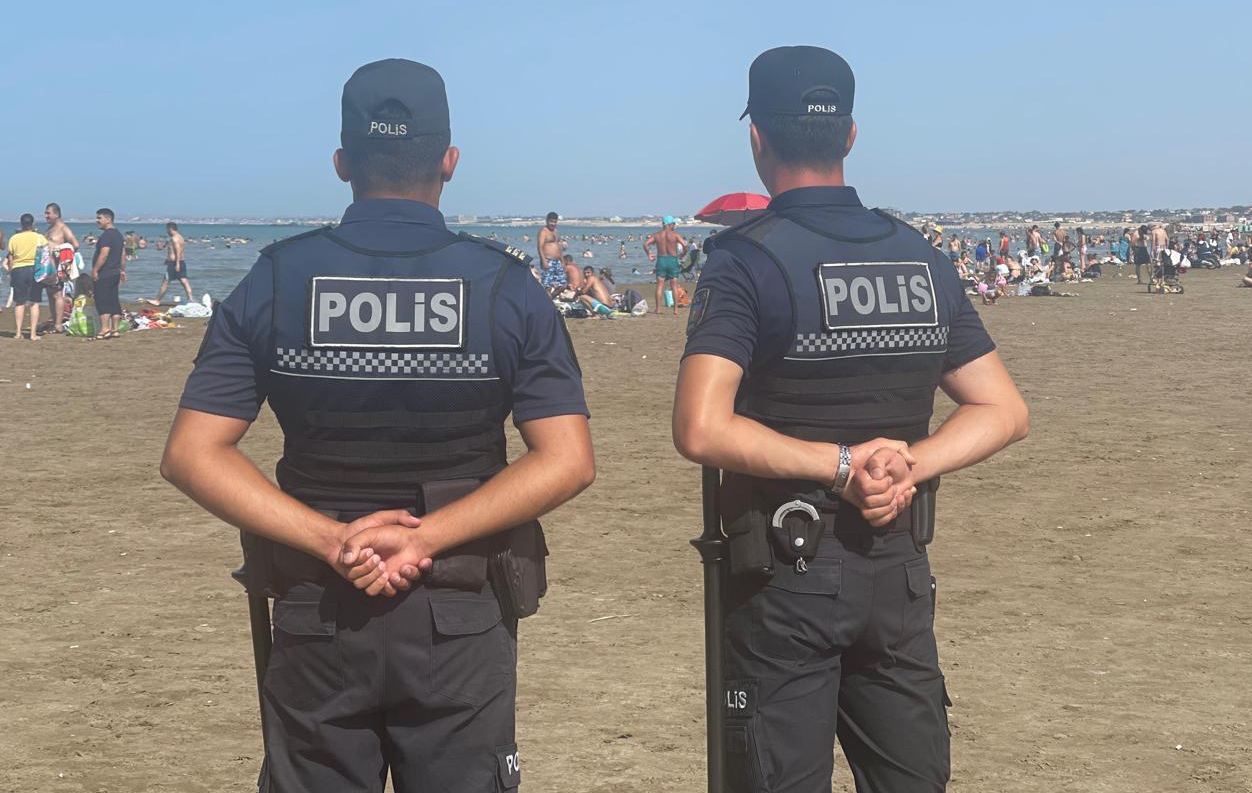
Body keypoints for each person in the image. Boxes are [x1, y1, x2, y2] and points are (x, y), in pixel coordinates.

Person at [159, 58, 595, 792]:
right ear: (449, 161)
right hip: (459, 608)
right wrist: (426, 538)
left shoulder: (277, 277)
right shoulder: (503, 285)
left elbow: (193, 453)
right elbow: (567, 459)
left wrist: (332, 540)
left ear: (341, 163)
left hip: (318, 604)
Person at [673, 46, 1029, 793]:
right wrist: (906, 464)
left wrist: (840, 466)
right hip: (897, 562)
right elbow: (1001, 408)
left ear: (757, 139)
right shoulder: (917, 254)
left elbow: (701, 428)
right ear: (852, 135)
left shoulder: (746, 259)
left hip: (784, 570)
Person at [5, 213, 46, 341]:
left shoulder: (14, 238)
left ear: (21, 224)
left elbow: (11, 258)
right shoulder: (40, 237)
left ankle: (18, 333)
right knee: (34, 302)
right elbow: (45, 256)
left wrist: (11, 272)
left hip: (18, 269)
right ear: (33, 224)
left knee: (19, 302)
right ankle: (33, 334)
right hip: (35, 269)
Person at [43, 203, 81, 332]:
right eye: (45, 213)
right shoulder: (50, 228)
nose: (46, 215)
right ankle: (55, 322)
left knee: (58, 295)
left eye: (48, 213)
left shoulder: (63, 228)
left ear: (56, 214)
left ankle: (58, 325)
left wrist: (61, 253)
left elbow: (75, 244)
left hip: (58, 268)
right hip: (47, 268)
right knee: (50, 295)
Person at [90, 208, 126, 339]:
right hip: (115, 272)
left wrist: (95, 270)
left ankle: (105, 329)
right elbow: (123, 254)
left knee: (102, 300)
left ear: (108, 219)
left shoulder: (107, 235)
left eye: (99, 218)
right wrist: (122, 270)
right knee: (113, 299)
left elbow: (104, 254)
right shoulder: (118, 235)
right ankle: (115, 329)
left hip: (105, 272)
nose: (97, 221)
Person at [644, 215, 687, 312]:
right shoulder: (675, 234)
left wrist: (649, 254)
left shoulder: (657, 235)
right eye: (673, 224)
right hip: (672, 260)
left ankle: (658, 309)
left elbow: (645, 244)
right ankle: (675, 310)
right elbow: (684, 245)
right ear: (670, 224)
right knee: (674, 285)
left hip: (661, 260)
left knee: (660, 285)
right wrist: (683, 254)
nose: (674, 225)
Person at [148, 221, 194, 303]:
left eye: (167, 229)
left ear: (170, 229)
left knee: (165, 281)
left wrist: (177, 264)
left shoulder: (174, 238)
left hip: (174, 263)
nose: (166, 231)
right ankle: (190, 299)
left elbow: (178, 251)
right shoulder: (180, 237)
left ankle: (157, 300)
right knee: (184, 281)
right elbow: (174, 251)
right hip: (181, 261)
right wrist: (168, 259)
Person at [538, 211, 568, 292]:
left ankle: (550, 298)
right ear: (547, 221)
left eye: (555, 222)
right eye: (551, 221)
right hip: (548, 260)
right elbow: (540, 247)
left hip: (557, 261)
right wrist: (543, 260)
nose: (553, 224)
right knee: (547, 286)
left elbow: (558, 247)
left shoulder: (556, 232)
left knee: (563, 285)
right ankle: (547, 299)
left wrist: (562, 261)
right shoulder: (543, 232)